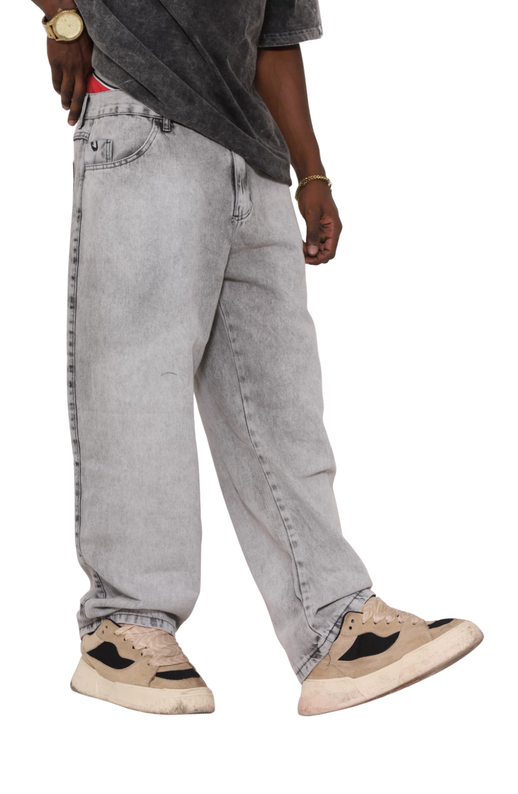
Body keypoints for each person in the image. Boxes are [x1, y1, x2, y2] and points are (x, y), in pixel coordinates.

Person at [34, 0, 483, 716]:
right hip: (140, 117)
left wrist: (313, 174)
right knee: (137, 382)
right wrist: (61, 15)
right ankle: (126, 626)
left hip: (255, 152)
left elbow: (274, 39)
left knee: (282, 404)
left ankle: (334, 625)